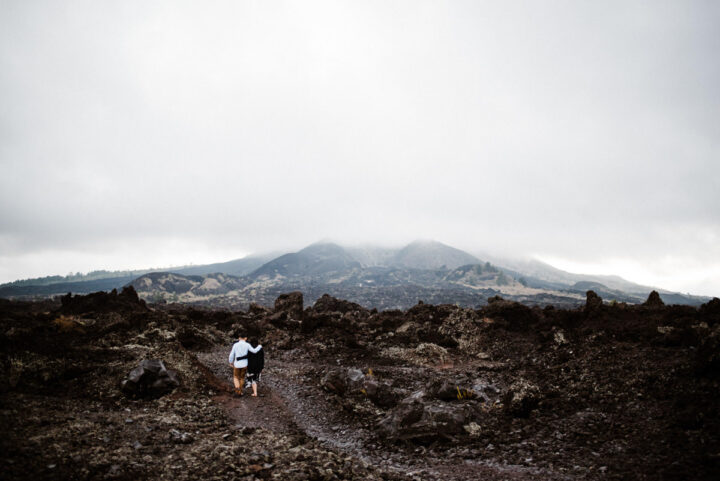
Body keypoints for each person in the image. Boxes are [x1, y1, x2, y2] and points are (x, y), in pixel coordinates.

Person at [228, 332, 262, 397]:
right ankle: (240, 392)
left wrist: (230, 362)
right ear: (246, 338)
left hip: (237, 364)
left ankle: (237, 389)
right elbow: (254, 351)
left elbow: (232, 354)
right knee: (242, 378)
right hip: (244, 364)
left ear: (239, 338)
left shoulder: (235, 345)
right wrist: (259, 346)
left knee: (235, 377)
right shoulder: (247, 345)